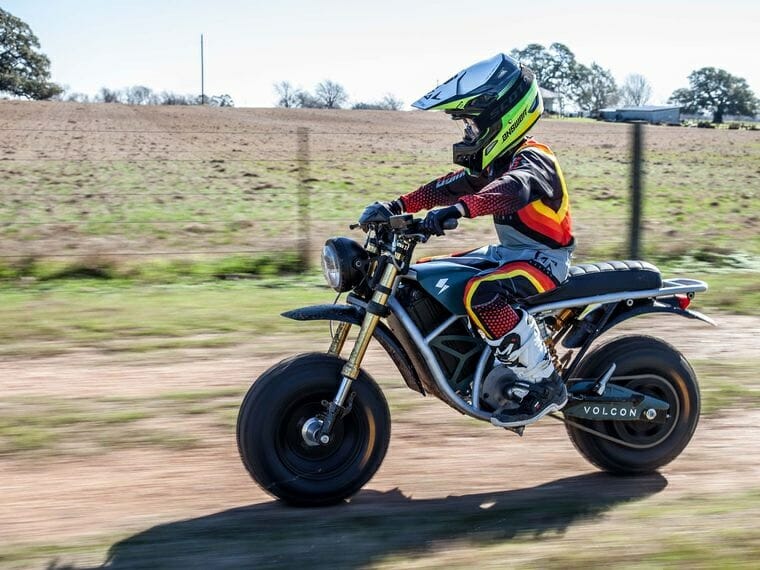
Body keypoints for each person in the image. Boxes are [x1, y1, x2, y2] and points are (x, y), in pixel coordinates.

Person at [362, 53, 574, 428]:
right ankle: (478, 358)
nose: (466, 134)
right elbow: (450, 185)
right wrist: (396, 206)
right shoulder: (497, 160)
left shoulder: (532, 158)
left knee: (481, 294)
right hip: (511, 253)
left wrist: (460, 211)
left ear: (501, 120)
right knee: (425, 275)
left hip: (545, 259)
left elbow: (512, 189)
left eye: (472, 126)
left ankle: (543, 380)